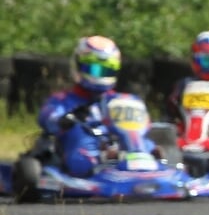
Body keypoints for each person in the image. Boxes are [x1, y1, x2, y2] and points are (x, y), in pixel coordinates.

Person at [35, 35, 154, 177]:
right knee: (80, 144)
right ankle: (98, 168)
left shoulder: (121, 100)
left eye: (107, 70)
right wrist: (64, 120)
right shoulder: (64, 100)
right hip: (83, 145)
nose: (100, 75)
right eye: (95, 69)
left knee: (148, 144)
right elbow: (47, 117)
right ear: (78, 65)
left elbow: (143, 123)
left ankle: (148, 164)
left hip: (117, 141)